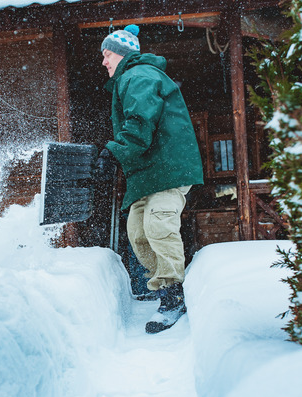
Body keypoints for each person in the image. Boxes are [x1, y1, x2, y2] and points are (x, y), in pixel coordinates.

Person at [97, 24, 204, 334]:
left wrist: (113, 152)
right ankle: (167, 289)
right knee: (138, 234)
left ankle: (172, 295)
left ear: (121, 54)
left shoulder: (138, 75)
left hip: (167, 168)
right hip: (148, 172)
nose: (104, 62)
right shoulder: (130, 78)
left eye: (107, 55)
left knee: (158, 225)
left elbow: (140, 121)